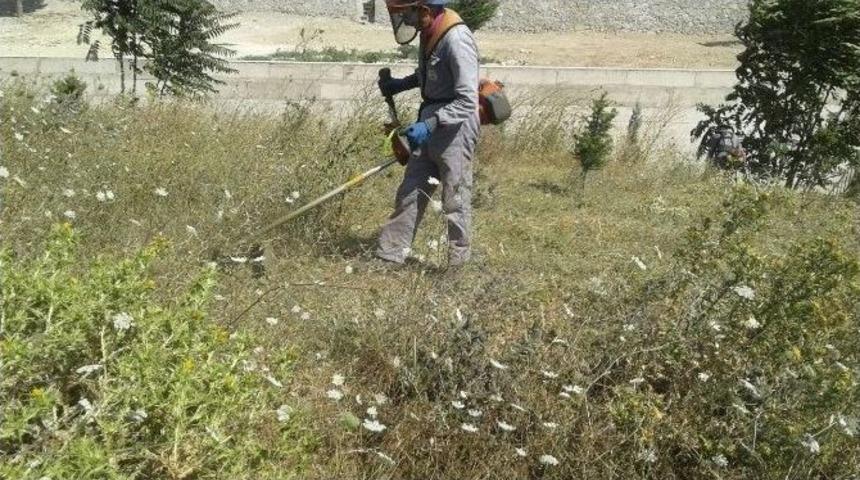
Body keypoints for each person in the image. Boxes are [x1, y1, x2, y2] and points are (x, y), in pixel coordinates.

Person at [375, 0, 480, 268]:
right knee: (410, 191)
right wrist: (400, 85)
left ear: (424, 10)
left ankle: (456, 269)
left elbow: (468, 100)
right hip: (430, 121)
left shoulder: (456, 39)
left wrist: (431, 124)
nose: (406, 21)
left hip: (455, 127)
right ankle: (390, 255)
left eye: (407, 14)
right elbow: (429, 72)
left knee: (454, 200)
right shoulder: (429, 32)